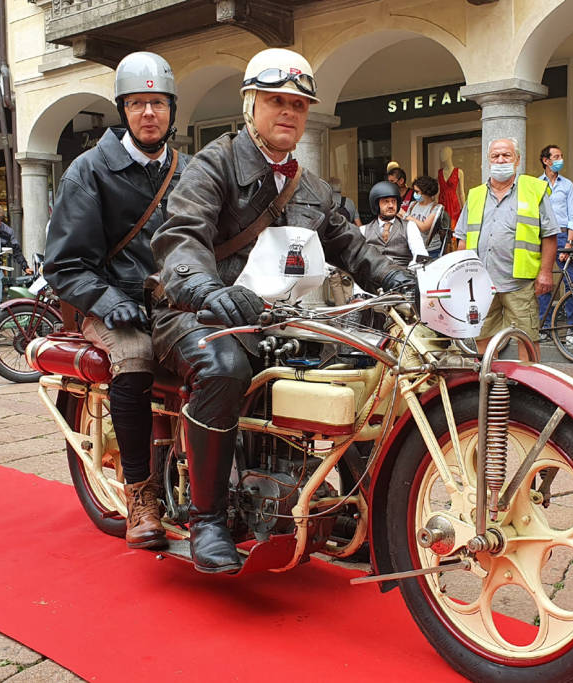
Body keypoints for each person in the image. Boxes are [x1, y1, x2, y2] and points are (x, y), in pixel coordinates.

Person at [150, 47, 409, 573]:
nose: (288, 111)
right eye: (275, 100)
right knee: (223, 368)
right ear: (250, 104)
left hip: (274, 317)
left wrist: (402, 280)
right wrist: (204, 289)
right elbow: (181, 238)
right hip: (195, 312)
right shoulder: (213, 164)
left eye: (298, 103)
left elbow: (353, 249)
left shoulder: (312, 187)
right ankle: (208, 518)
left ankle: (333, 499)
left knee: (355, 365)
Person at [43, 51, 187, 550]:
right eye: (137, 103)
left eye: (158, 103)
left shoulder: (189, 171)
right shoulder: (90, 171)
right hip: (110, 305)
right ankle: (141, 494)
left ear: (172, 110)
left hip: (176, 305)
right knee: (135, 355)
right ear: (123, 110)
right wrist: (105, 299)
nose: (149, 113)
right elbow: (63, 263)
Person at [453, 137, 558, 353]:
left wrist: (545, 272)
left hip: (519, 283)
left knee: (527, 340)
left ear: (517, 160)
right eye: (495, 156)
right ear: (488, 162)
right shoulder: (475, 195)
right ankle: (489, 385)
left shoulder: (533, 190)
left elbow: (549, 235)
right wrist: (462, 277)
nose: (501, 160)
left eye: (506, 155)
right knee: (482, 339)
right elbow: (462, 240)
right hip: (482, 283)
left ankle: (526, 386)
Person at [536, 144, 573, 341]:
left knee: (570, 280)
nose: (560, 159)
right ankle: (545, 326)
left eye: (561, 156)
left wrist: (570, 243)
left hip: (562, 235)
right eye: (556, 156)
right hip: (541, 235)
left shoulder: (567, 185)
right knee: (542, 281)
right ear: (546, 161)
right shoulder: (536, 184)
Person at [362, 180, 428, 266]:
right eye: (386, 201)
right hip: (373, 277)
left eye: (393, 201)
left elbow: (421, 255)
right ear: (376, 205)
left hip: (402, 276)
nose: (391, 205)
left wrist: (412, 269)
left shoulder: (410, 227)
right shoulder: (363, 230)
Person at [403, 175, 445, 256]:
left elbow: (424, 227)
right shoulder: (413, 205)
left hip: (431, 250)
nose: (415, 194)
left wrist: (405, 215)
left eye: (417, 192)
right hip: (414, 247)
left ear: (426, 192)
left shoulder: (436, 208)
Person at [438, 146, 464, 228]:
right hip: (442, 202)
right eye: (440, 154)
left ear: (449, 154)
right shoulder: (439, 173)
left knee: (454, 226)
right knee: (443, 225)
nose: (441, 156)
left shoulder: (459, 172)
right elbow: (437, 191)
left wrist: (464, 209)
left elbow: (461, 192)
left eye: (443, 153)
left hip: (453, 203)